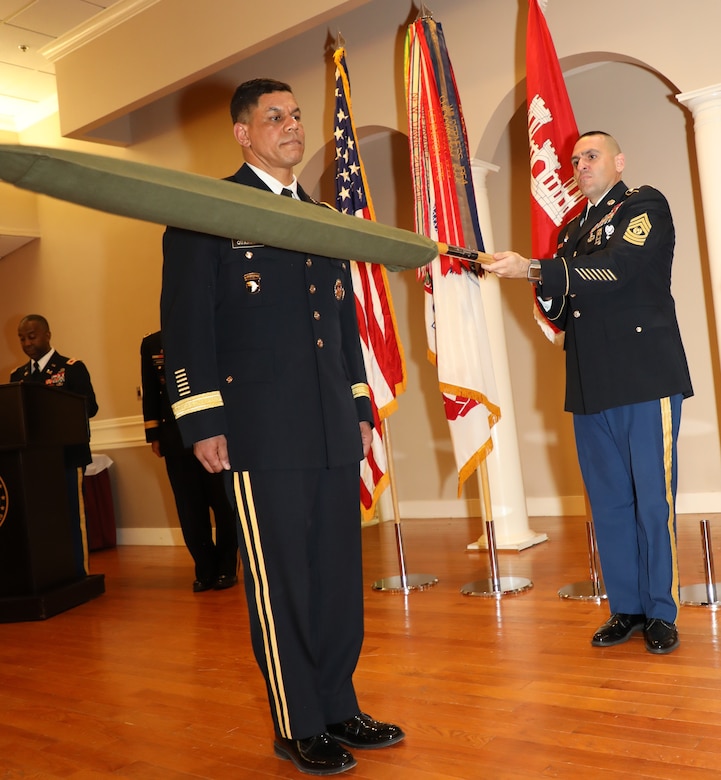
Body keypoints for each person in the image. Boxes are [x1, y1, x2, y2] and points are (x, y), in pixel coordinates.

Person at [159, 78, 404, 775]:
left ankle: (338, 705)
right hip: (257, 430)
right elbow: (185, 331)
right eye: (275, 117)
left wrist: (358, 408)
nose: (292, 126)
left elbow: (343, 323)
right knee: (282, 581)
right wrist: (201, 418)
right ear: (242, 132)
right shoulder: (204, 213)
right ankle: (297, 723)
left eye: (296, 116)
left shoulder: (322, 216)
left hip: (330, 425)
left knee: (335, 576)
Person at [482, 131, 692, 655]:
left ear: (618, 161)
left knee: (652, 500)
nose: (581, 166)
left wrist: (536, 268)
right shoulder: (571, 230)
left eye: (591, 156)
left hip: (644, 375)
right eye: (574, 161)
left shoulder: (643, 204)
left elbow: (619, 269)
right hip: (590, 379)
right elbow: (560, 308)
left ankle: (661, 611)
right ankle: (628, 607)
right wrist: (541, 286)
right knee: (609, 503)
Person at [140, 330, 238, 592]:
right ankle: (205, 568)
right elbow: (151, 390)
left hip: (216, 433)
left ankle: (227, 566)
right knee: (189, 509)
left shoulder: (212, 331)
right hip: (175, 436)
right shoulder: (152, 343)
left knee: (224, 505)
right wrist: (154, 434)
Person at [11, 314, 99, 578]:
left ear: (48, 335)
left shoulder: (72, 368)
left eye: (32, 335)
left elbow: (90, 407)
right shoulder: (18, 375)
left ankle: (78, 572)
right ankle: (53, 572)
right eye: (22, 338)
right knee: (43, 520)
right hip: (33, 462)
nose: (27, 342)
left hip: (67, 457)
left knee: (72, 517)